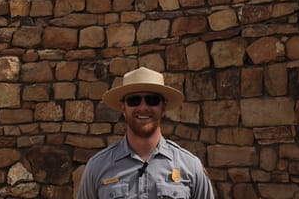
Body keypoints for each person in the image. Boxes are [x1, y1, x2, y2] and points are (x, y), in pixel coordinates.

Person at [76, 66, 215, 199]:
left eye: (152, 100)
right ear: (123, 108)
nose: (143, 107)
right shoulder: (97, 167)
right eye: (134, 100)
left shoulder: (190, 167)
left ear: (163, 107)